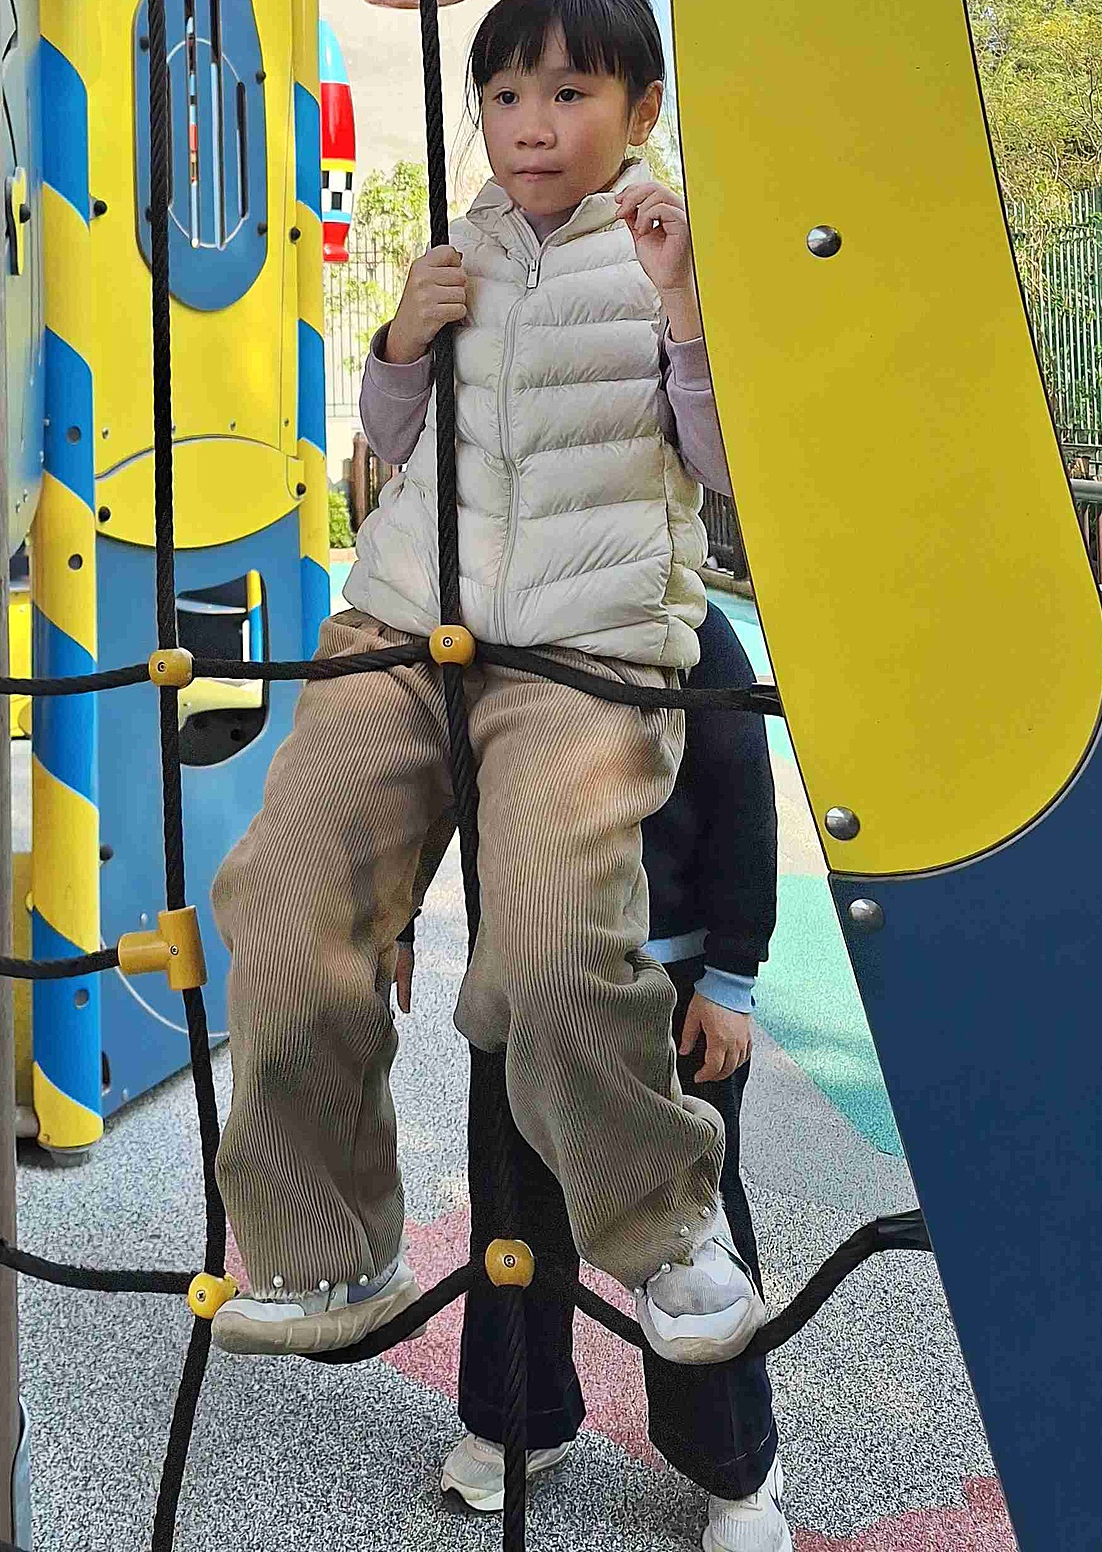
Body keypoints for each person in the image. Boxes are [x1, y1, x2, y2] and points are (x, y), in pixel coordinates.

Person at [210, 0, 763, 1378]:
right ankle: (328, 1248)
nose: (531, 122)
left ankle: (668, 1228)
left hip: (582, 653)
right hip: (406, 628)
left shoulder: (671, 256)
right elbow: (391, 446)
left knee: (554, 939)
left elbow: (722, 468)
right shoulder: (459, 249)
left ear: (642, 107)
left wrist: (685, 308)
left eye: (570, 91)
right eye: (505, 92)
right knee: (282, 904)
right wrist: (402, 336)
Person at [437, 596, 786, 1549]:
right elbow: (433, 782)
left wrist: (732, 976)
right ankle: (521, 1418)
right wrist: (389, 920)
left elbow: (744, 801)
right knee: (514, 1206)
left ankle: (736, 1461)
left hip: (666, 978)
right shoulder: (501, 617)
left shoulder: (688, 624)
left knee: (689, 1213)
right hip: (524, 970)